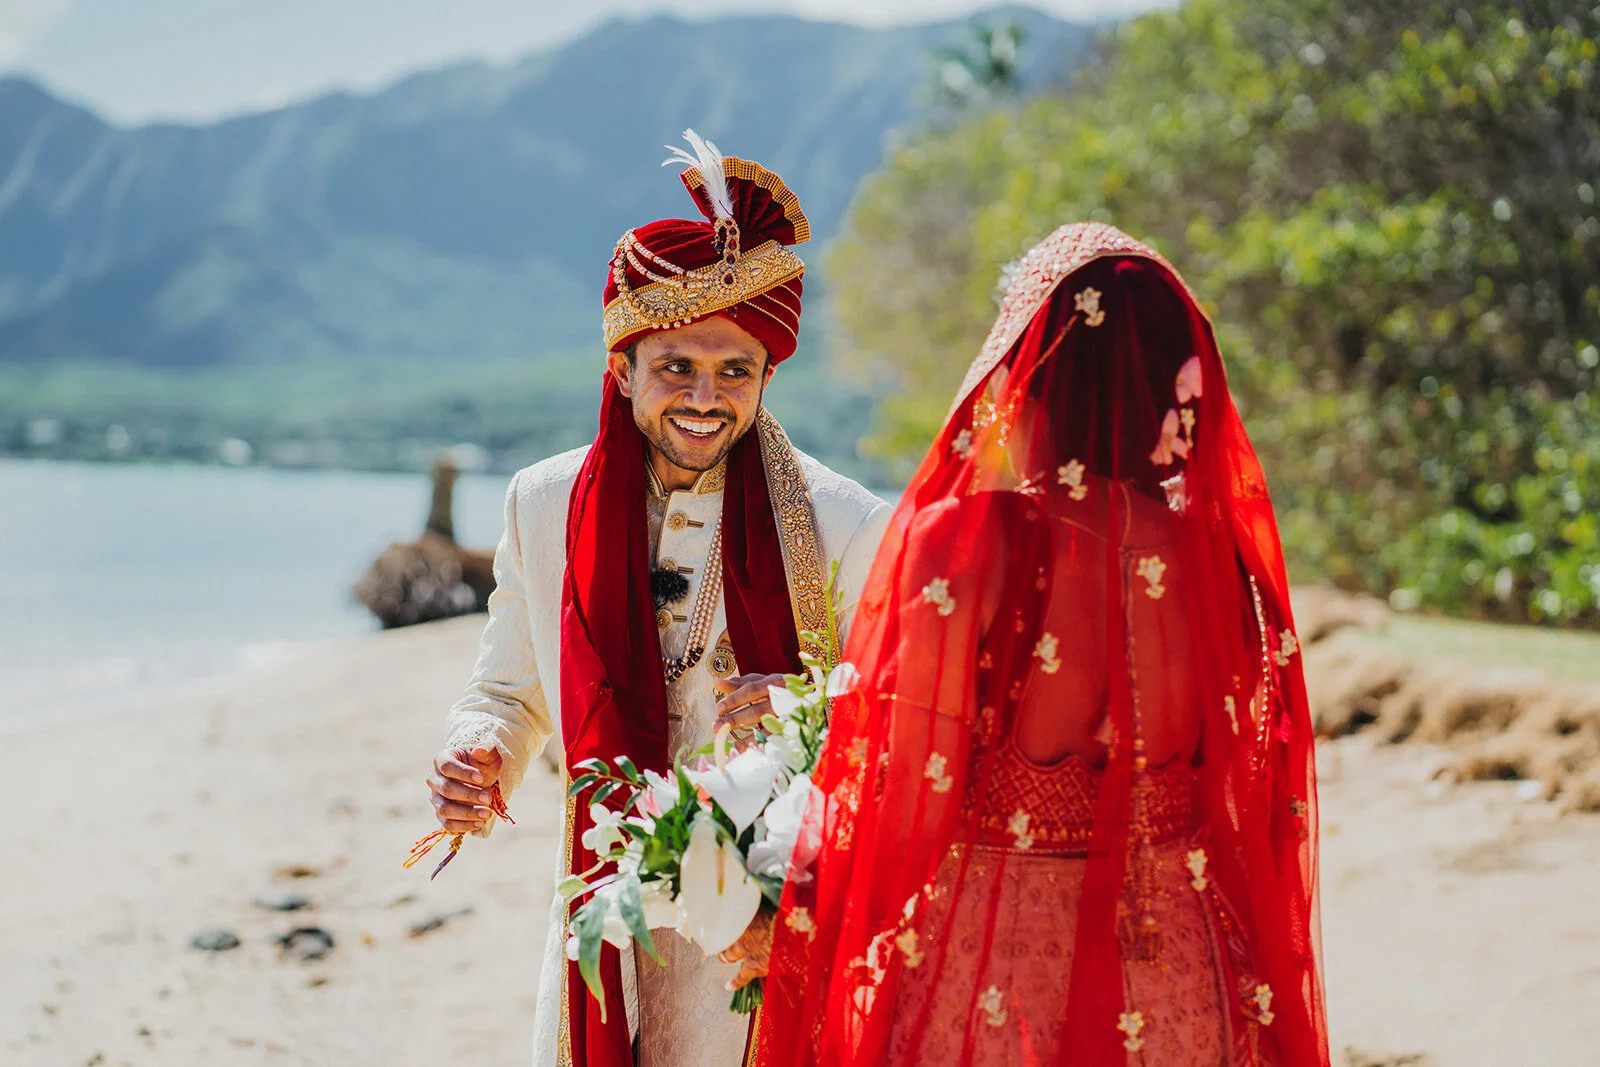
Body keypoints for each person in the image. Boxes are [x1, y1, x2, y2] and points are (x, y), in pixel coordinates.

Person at [746, 223, 1330, 1065]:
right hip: (1190, 979)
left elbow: (908, 817)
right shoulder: (1217, 562)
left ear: (1037, 372)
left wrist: (787, 905)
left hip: (1002, 985)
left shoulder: (972, 544)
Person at [425, 133, 891, 1067]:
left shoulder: (846, 525)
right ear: (623, 365)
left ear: (767, 377)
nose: (704, 397)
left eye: (735, 372)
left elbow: (905, 724)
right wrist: (475, 754)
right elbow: (508, 691)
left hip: (766, 930)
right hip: (604, 922)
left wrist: (815, 714)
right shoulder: (544, 501)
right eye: (676, 365)